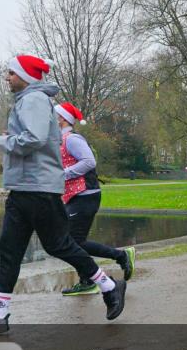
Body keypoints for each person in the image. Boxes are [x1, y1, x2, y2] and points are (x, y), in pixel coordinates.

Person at [0, 55, 127, 336]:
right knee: (9, 248)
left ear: (26, 75)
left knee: (59, 245)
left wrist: (1, 142)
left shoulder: (33, 99)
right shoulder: (29, 100)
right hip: (25, 187)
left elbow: (35, 139)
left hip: (38, 188)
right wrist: (11, 135)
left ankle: (109, 285)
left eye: (11, 72)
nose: (6, 77)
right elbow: (34, 136)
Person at [54, 102, 134, 296]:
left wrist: (64, 174)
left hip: (86, 195)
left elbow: (89, 161)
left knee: (72, 242)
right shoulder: (60, 139)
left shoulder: (72, 139)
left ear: (63, 119)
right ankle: (87, 279)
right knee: (71, 241)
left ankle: (120, 257)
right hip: (74, 197)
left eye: (52, 115)